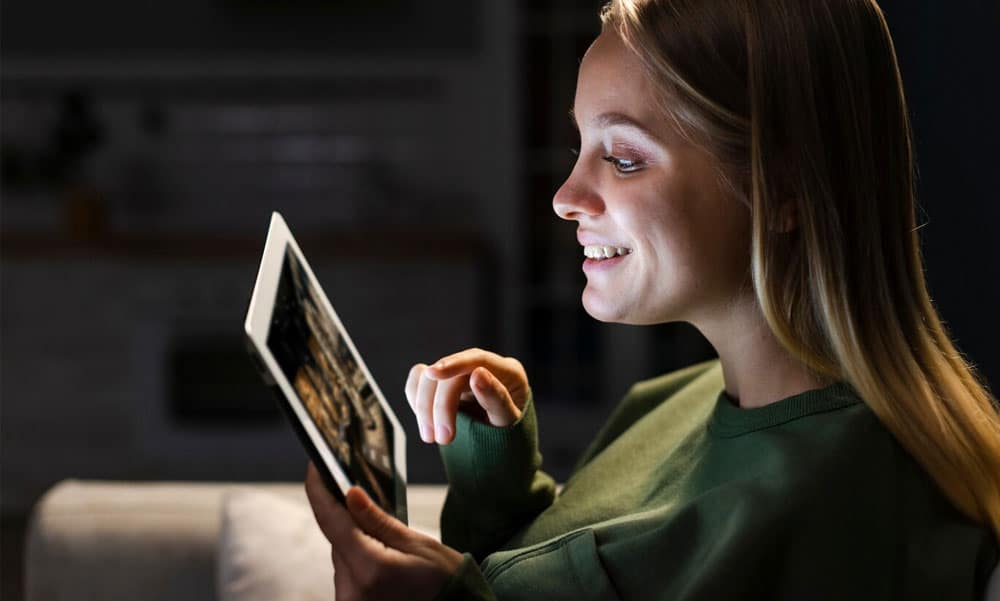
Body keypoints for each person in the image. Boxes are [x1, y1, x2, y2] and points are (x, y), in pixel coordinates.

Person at [304, 0, 1000, 598]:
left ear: (784, 189)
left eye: (624, 157)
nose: (565, 197)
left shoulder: (851, 501)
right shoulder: (677, 400)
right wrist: (499, 473)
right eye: (580, 146)